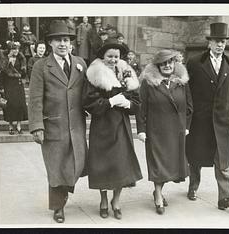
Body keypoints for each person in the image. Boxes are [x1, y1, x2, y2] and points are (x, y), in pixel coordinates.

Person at [28, 20, 88, 223]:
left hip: (76, 126)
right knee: (56, 167)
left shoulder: (80, 63)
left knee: (73, 165)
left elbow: (89, 93)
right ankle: (58, 207)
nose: (62, 44)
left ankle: (63, 195)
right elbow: (35, 98)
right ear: (50, 43)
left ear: (71, 43)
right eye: (57, 40)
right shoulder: (41, 66)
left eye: (65, 40)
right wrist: (37, 126)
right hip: (54, 125)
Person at [83, 38, 143, 220]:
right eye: (110, 56)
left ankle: (115, 201)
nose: (113, 60)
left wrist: (127, 103)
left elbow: (137, 103)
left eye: (116, 56)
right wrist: (109, 102)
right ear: (103, 56)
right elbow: (88, 103)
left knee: (120, 165)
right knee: (102, 165)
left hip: (121, 126)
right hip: (102, 125)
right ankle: (103, 199)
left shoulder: (126, 73)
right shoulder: (94, 74)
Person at [186, 22, 229, 210]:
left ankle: (225, 198)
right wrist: (187, 118)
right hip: (200, 120)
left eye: (223, 42)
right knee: (196, 156)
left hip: (223, 120)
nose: (220, 45)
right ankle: (193, 187)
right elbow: (188, 92)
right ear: (209, 43)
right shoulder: (195, 62)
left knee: (222, 160)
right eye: (217, 41)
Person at [137, 49, 193, 215]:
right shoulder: (149, 83)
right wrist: (141, 130)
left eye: (170, 62)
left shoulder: (182, 82)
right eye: (163, 63)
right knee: (158, 165)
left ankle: (158, 191)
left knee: (171, 165)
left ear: (175, 64)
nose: (167, 66)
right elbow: (141, 108)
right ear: (158, 66)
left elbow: (190, 106)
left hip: (176, 131)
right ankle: (159, 196)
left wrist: (187, 126)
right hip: (156, 131)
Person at [0, 41, 28, 135]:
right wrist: (1, 88)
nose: (16, 51)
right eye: (14, 49)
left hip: (18, 85)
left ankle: (19, 126)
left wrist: (22, 72)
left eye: (17, 49)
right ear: (10, 50)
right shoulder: (4, 59)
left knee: (20, 105)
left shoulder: (21, 59)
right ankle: (10, 126)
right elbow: (1, 74)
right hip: (8, 85)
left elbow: (23, 74)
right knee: (10, 106)